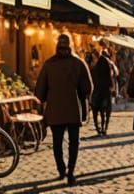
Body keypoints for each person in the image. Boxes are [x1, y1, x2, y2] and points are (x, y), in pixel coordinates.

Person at [34, 33, 93, 185]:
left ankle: (61, 169)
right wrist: (79, 93)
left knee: (57, 142)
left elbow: (40, 89)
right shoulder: (78, 63)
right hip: (73, 108)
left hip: (55, 109)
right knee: (74, 143)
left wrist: (42, 101)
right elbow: (87, 88)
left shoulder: (49, 64)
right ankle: (71, 172)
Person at [89, 49, 118, 137]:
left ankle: (100, 128)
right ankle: (103, 128)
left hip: (99, 90)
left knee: (98, 110)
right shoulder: (108, 62)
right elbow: (116, 73)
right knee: (104, 111)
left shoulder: (99, 63)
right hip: (104, 90)